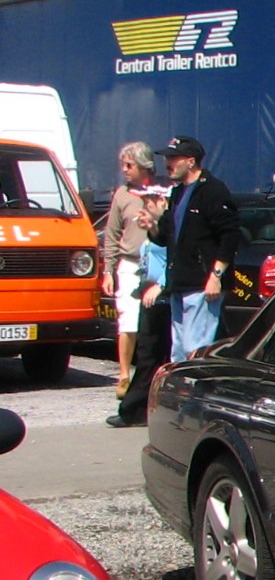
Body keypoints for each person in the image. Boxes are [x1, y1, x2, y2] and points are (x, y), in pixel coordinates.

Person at [149, 135, 242, 360]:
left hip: (202, 285)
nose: (167, 163)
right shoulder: (178, 193)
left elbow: (230, 234)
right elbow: (163, 238)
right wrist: (151, 224)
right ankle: (180, 392)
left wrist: (216, 275)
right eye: (166, 158)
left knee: (196, 349)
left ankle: (196, 391)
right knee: (179, 351)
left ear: (190, 161)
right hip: (179, 283)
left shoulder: (212, 190)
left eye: (173, 158)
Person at [100, 140, 157, 398]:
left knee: (156, 324)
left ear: (144, 166)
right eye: (123, 165)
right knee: (127, 321)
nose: (124, 169)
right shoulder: (121, 195)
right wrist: (108, 270)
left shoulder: (162, 190)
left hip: (157, 265)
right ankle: (124, 375)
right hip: (129, 264)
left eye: (129, 165)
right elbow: (111, 235)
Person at [105, 232, 169, 428]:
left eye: (150, 202)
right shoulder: (154, 231)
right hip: (148, 292)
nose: (143, 211)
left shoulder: (171, 228)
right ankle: (137, 409)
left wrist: (162, 284)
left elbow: (177, 260)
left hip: (164, 295)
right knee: (148, 354)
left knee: (156, 353)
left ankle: (136, 409)